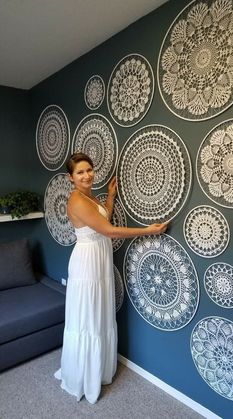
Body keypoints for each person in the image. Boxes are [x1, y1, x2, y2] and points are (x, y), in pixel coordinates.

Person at [54, 152, 168, 404]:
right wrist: (147, 231)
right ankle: (83, 376)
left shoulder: (88, 196)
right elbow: (109, 230)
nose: (87, 175)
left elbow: (103, 215)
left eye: (89, 169)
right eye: (80, 172)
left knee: (99, 314)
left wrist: (111, 196)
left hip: (99, 259)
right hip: (87, 263)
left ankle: (99, 369)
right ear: (70, 177)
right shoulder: (76, 200)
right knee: (88, 317)